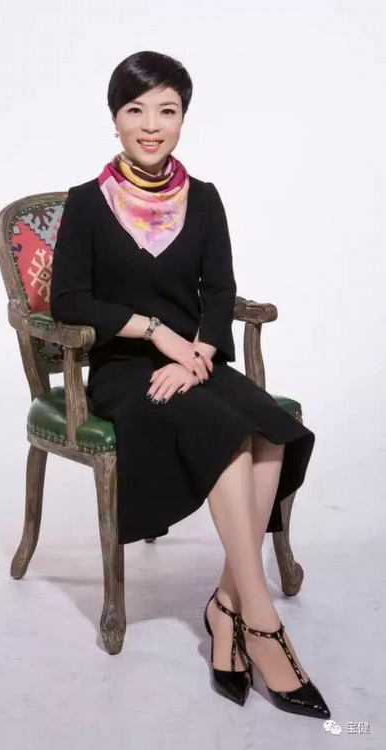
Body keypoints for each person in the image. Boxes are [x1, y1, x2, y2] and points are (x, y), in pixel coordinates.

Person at [49, 50, 330, 719]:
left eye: (167, 110)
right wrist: (155, 333)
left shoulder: (203, 199)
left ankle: (225, 607)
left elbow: (220, 290)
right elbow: (69, 301)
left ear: (183, 118)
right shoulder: (87, 203)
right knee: (226, 432)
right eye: (135, 110)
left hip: (196, 363)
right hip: (125, 373)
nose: (151, 125)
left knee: (274, 431)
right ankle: (261, 622)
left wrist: (198, 353)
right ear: (115, 118)